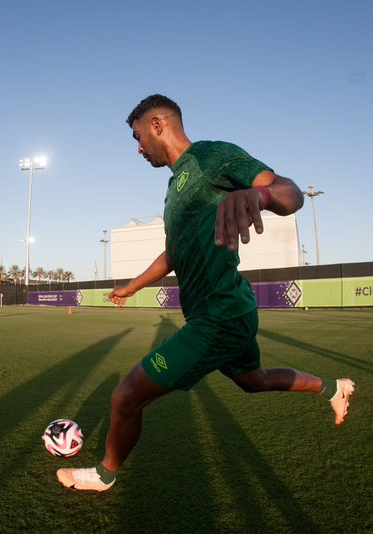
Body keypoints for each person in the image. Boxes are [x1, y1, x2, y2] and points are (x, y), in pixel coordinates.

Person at [56, 94, 355, 492]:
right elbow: (173, 253)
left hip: (218, 316)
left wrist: (260, 195)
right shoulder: (172, 190)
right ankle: (333, 387)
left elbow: (289, 192)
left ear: (158, 125)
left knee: (126, 396)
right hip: (230, 311)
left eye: (138, 136)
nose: (138, 148)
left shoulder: (211, 156)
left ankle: (104, 474)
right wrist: (133, 285)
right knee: (255, 380)